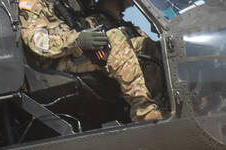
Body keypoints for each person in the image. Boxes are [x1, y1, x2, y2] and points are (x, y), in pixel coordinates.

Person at [18, 0, 165, 123]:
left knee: (145, 45)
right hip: (57, 61)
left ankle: (160, 103)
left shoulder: (64, 4)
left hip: (75, 53)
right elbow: (37, 42)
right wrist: (77, 40)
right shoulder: (33, 3)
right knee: (114, 38)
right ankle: (142, 110)